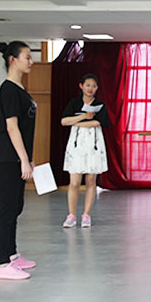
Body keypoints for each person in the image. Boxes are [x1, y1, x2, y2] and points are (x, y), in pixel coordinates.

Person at [0, 41, 37, 280]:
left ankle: (11, 255)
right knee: (6, 209)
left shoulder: (19, 89)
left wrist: (29, 159)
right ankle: (1, 264)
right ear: (13, 60)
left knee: (16, 206)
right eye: (27, 57)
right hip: (6, 157)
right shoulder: (8, 89)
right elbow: (12, 127)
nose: (31, 61)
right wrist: (23, 159)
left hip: (17, 157)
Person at [61, 74, 109, 228]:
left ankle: (86, 215)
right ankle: (71, 215)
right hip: (76, 145)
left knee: (90, 181)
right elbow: (64, 121)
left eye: (94, 86)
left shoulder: (100, 105)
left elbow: (97, 123)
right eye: (88, 85)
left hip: (93, 145)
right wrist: (84, 117)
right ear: (81, 86)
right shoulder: (74, 104)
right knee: (74, 182)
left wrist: (78, 122)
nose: (90, 89)